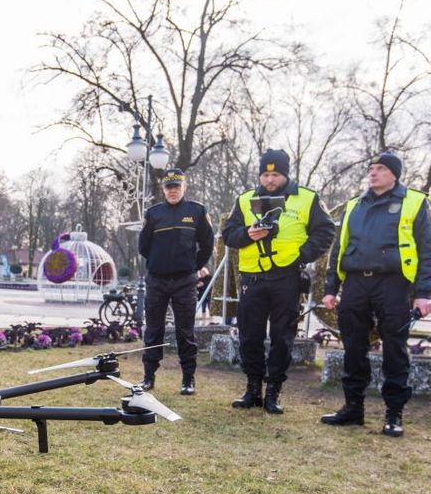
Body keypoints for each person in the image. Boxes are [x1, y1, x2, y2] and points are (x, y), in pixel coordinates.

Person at [321, 151, 431, 437]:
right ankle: (353, 408)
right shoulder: (354, 205)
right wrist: (330, 288)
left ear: (394, 175)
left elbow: (429, 251)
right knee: (353, 346)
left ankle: (394, 413)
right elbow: (339, 248)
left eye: (381, 169)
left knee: (395, 348)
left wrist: (423, 293)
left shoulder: (414, 202)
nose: (373, 173)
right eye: (371, 168)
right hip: (355, 282)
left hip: (393, 283)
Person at [223, 148, 335, 414]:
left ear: (285, 174)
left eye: (275, 174)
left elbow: (326, 231)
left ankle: (273, 390)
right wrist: (248, 234)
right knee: (249, 336)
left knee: (282, 338)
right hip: (253, 277)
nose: (269, 180)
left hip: (286, 277)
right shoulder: (245, 199)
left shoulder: (306, 198)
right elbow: (228, 234)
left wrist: (302, 256)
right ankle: (252, 388)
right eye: (265, 174)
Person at [137, 168, 214, 395]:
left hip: (184, 281)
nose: (172, 191)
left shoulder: (197, 211)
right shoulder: (153, 214)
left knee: (185, 332)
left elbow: (207, 244)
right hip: (157, 280)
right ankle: (148, 377)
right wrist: (159, 263)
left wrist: (194, 266)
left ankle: (188, 380)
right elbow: (143, 246)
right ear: (163, 190)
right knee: (153, 330)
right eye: (168, 188)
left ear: (184, 187)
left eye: (176, 187)